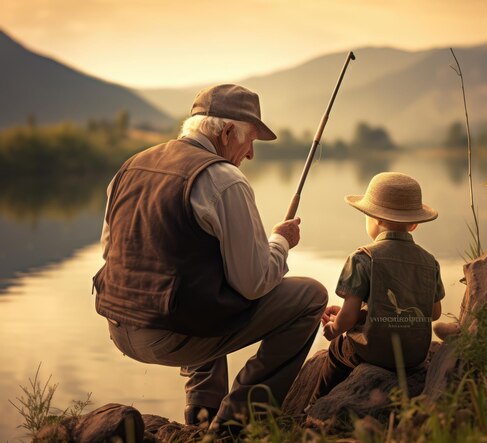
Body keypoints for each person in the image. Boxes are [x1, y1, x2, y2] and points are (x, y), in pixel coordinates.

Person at [92, 84, 328, 431]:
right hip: (170, 337)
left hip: (118, 329)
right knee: (311, 296)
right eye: (250, 141)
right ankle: (237, 423)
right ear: (229, 131)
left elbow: (109, 252)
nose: (249, 154)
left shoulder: (129, 167)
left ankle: (200, 415)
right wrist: (281, 241)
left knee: (207, 275)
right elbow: (254, 282)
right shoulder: (224, 180)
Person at [310, 172, 444, 401]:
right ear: (413, 225)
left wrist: (333, 329)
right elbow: (433, 313)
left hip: (374, 352)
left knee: (335, 353)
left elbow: (348, 317)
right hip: (414, 356)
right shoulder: (429, 261)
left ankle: (315, 405)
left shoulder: (363, 258)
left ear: (376, 218)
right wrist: (368, 313)